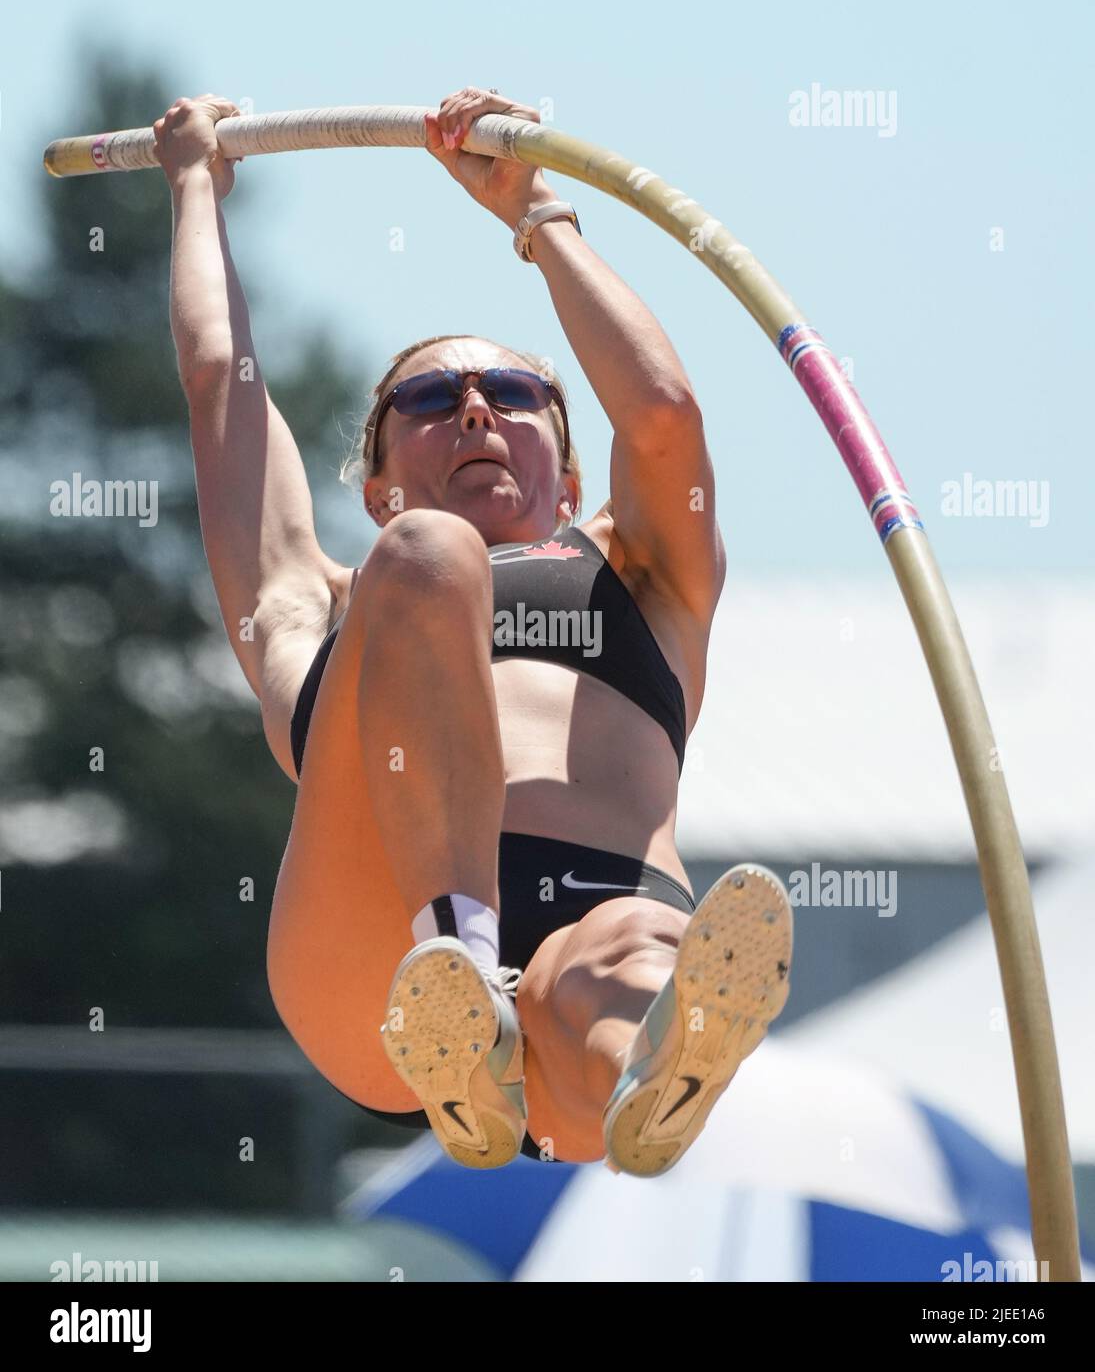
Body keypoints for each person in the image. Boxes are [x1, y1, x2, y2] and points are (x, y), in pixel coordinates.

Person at [156, 86, 792, 1176]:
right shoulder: (325, 601)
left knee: (641, 961)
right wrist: (193, 187)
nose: (475, 409)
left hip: (593, 939)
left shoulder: (641, 576)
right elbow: (221, 381)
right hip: (379, 973)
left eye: (511, 389)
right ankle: (466, 975)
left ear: (571, 466)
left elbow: (664, 415)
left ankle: (644, 1070)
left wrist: (536, 211)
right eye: (429, 399)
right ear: (373, 484)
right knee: (432, 556)